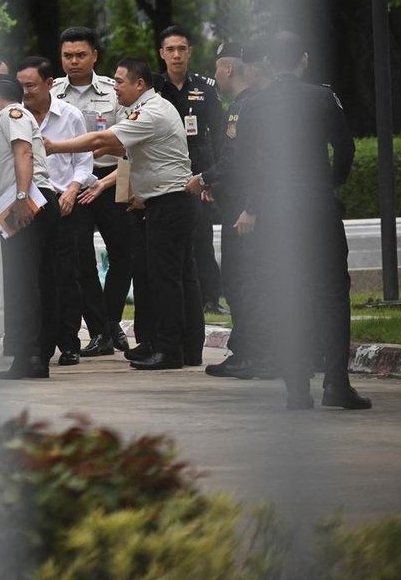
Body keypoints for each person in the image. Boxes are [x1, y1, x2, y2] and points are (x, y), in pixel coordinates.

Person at [238, 32, 371, 410]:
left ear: (268, 63)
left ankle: (296, 390)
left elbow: (247, 164)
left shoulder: (254, 105)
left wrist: (256, 203)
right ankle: (336, 384)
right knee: (332, 294)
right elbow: (345, 149)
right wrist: (329, 183)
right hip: (317, 207)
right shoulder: (322, 97)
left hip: (275, 213)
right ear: (305, 60)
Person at [45, 57, 204, 369]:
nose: (114, 87)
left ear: (139, 84)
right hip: (167, 202)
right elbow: (123, 148)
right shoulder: (149, 109)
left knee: (167, 279)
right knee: (173, 276)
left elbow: (103, 138)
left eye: (119, 81)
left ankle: (170, 350)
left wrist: (55, 147)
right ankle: (178, 346)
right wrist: (101, 153)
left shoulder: (151, 112)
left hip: (170, 204)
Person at [186, 41, 271, 378]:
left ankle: (248, 353)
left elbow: (238, 161)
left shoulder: (242, 106)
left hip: (243, 209)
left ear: (229, 68)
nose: (216, 75)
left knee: (239, 280)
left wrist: (204, 179)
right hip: (244, 203)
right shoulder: (256, 102)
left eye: (217, 68)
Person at [51, 27, 132, 356]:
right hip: (73, 182)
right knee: (80, 257)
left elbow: (128, 139)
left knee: (124, 253)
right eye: (67, 55)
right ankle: (99, 332)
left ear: (95, 55)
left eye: (81, 55)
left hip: (111, 176)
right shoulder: (52, 92)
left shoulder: (114, 92)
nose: (74, 61)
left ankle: (111, 321)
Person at [16, 56, 94, 367]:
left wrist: (73, 190)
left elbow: (84, 161)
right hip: (27, 205)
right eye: (21, 86)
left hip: (63, 203)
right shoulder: (16, 116)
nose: (26, 92)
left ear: (49, 84)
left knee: (66, 275)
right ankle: (36, 345)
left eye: (31, 85)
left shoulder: (70, 116)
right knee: (32, 277)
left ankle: (69, 342)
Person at [0, 74, 59, 380]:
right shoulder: (21, 116)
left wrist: (20, 196)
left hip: (28, 202)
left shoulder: (10, 114)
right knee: (41, 282)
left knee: (22, 283)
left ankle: (28, 355)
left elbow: (23, 152)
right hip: (39, 201)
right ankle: (37, 356)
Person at [157, 25, 226, 314]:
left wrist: (214, 176)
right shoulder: (154, 88)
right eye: (170, 49)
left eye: (181, 49)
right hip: (164, 169)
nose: (176, 55)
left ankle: (210, 297)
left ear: (190, 52)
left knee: (202, 235)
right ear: (162, 53)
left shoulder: (205, 87)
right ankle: (176, 297)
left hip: (199, 170)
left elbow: (220, 133)